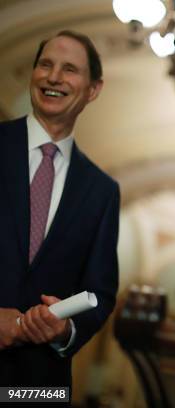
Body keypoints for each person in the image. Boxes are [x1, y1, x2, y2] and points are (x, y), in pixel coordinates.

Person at [0, 30, 120, 389]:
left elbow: (100, 292)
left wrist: (65, 328)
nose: (53, 77)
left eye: (69, 69)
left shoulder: (102, 191)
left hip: (38, 386)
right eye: (45, 65)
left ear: (92, 89)